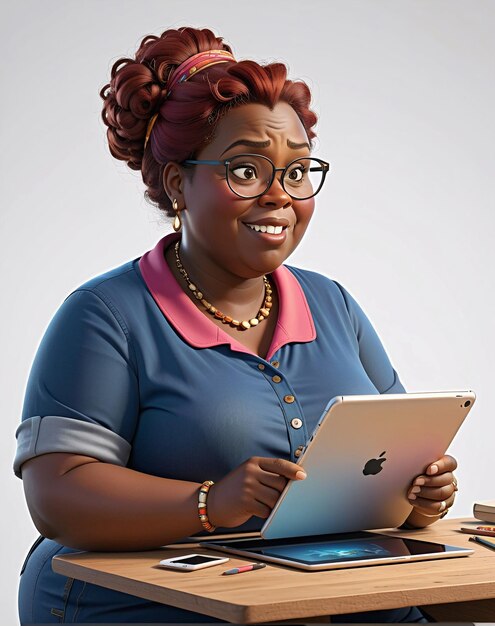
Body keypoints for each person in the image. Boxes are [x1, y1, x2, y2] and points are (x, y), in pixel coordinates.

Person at [14, 26, 458, 624]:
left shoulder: (333, 305)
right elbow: (57, 494)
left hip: (308, 584)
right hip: (142, 596)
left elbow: (391, 455)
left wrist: (417, 496)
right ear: (178, 184)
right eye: (246, 171)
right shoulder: (106, 315)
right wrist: (209, 502)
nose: (280, 196)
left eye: (297, 172)